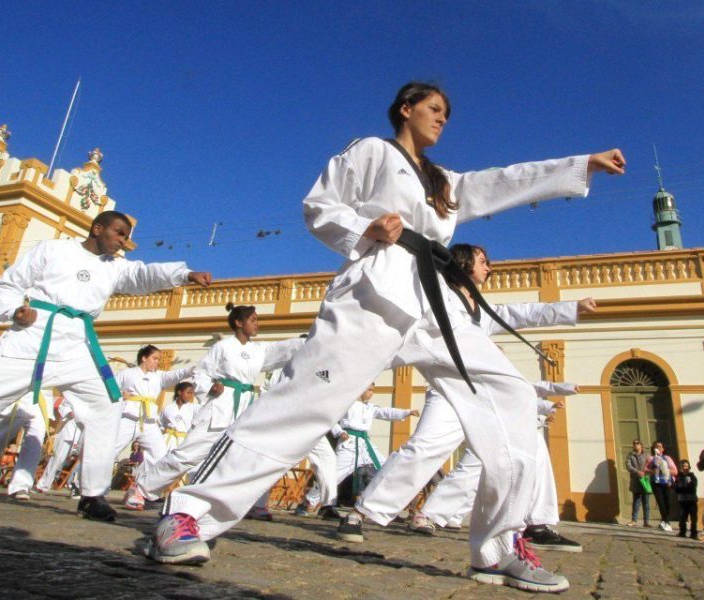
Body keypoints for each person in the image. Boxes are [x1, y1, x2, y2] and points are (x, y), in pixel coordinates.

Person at [143, 81, 625, 595]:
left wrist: (580, 165)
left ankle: (499, 547)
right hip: (375, 290)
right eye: (434, 109)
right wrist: (367, 228)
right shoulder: (372, 151)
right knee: (306, 403)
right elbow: (320, 206)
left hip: (435, 300)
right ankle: (188, 514)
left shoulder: (444, 179)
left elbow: (502, 181)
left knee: (511, 394)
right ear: (406, 108)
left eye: (447, 113)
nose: (442, 119)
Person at [0, 211, 211, 523]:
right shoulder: (52, 249)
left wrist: (183, 275)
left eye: (127, 237)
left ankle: (93, 494)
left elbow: (144, 274)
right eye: (119, 234)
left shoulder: (116, 267)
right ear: (97, 228)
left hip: (77, 344)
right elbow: (9, 282)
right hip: (33, 334)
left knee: (106, 405)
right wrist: (15, 311)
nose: (123, 242)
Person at [348, 243, 594, 541]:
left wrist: (569, 309)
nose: (489, 267)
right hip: (448, 393)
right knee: (426, 448)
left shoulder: (481, 310)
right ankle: (361, 512)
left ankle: (537, 522)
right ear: (463, 264)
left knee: (528, 442)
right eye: (482, 261)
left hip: (481, 396)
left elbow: (520, 314)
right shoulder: (436, 297)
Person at [132, 304, 305, 514]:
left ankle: (253, 504)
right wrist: (210, 387)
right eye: (253, 320)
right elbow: (201, 373)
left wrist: (314, 338)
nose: (257, 324)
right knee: (189, 454)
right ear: (239, 323)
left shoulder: (257, 350)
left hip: (245, 407)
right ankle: (141, 489)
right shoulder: (222, 347)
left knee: (251, 457)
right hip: (221, 404)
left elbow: (283, 349)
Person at [410, 381, 583, 553]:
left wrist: (552, 401)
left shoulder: (496, 372)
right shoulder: (472, 372)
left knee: (536, 454)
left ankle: (536, 525)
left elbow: (521, 388)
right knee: (469, 471)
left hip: (510, 428)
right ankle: (428, 515)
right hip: (487, 428)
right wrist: (554, 397)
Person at [113, 344, 195, 503]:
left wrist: (191, 369)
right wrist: (120, 395)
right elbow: (109, 389)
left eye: (158, 359)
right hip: (128, 418)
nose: (157, 362)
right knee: (110, 450)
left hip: (149, 421)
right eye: (154, 358)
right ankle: (84, 486)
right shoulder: (126, 374)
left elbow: (176, 374)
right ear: (144, 358)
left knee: (160, 455)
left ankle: (142, 491)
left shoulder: (159, 376)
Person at [327, 384, 417, 516]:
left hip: (365, 445)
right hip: (349, 443)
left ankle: (385, 506)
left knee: (384, 469)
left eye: (373, 390)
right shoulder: (347, 404)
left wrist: (407, 412)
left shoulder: (370, 407)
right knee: (334, 475)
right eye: (369, 390)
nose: (372, 393)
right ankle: (309, 503)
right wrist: (339, 432)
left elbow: (386, 412)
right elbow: (331, 420)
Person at [646, 441, 678, 532]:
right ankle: (666, 522)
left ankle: (664, 520)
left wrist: (663, 469)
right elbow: (645, 469)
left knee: (668, 502)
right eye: (656, 447)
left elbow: (675, 471)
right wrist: (652, 471)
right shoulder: (651, 459)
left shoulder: (667, 458)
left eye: (660, 447)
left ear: (663, 449)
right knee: (661, 502)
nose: (658, 448)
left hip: (667, 482)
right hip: (656, 483)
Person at [160, 381, 197, 453]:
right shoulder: (167, 408)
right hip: (167, 440)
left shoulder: (194, 408)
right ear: (179, 392)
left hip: (183, 441)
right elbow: (161, 424)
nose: (191, 395)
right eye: (188, 392)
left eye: (192, 393)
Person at [625, 440, 651, 527]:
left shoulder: (647, 455)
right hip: (636, 480)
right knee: (636, 501)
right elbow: (628, 466)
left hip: (645, 480)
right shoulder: (630, 455)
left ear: (641, 445)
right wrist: (637, 471)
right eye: (634, 444)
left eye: (637, 444)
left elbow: (650, 464)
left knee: (646, 502)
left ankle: (646, 521)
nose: (635, 445)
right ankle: (634, 520)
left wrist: (645, 471)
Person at [674, 459, 698, 538]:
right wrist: (682, 489)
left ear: (689, 467)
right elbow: (676, 488)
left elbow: (692, 487)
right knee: (682, 517)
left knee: (693, 517)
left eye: (686, 466)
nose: (685, 468)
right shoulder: (678, 477)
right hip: (682, 500)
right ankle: (682, 532)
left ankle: (693, 533)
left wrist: (683, 489)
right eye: (683, 466)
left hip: (691, 499)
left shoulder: (692, 476)